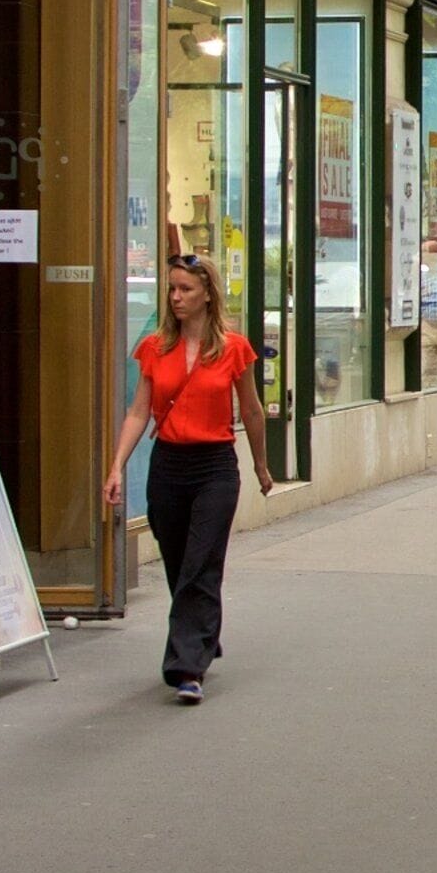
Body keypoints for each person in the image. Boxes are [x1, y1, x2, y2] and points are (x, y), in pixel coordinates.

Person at [106, 256, 263, 704]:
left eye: (185, 290)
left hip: (214, 465)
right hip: (169, 465)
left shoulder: (234, 348)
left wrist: (261, 466)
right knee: (178, 561)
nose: (176, 297)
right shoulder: (155, 348)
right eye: (172, 289)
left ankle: (186, 667)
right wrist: (117, 465)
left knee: (200, 562)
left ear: (208, 294)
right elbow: (139, 411)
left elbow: (250, 410)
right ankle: (203, 635)